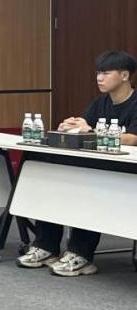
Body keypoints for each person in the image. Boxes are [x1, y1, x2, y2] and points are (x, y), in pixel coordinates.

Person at [17, 50, 137, 276]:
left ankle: (81, 254)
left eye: (106, 73)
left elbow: (132, 139)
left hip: (128, 172)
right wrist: (70, 128)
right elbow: (84, 131)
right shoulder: (99, 104)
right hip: (99, 166)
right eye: (98, 73)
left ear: (124, 75)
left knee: (87, 189)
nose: (99, 78)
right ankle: (46, 246)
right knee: (55, 183)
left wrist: (90, 130)